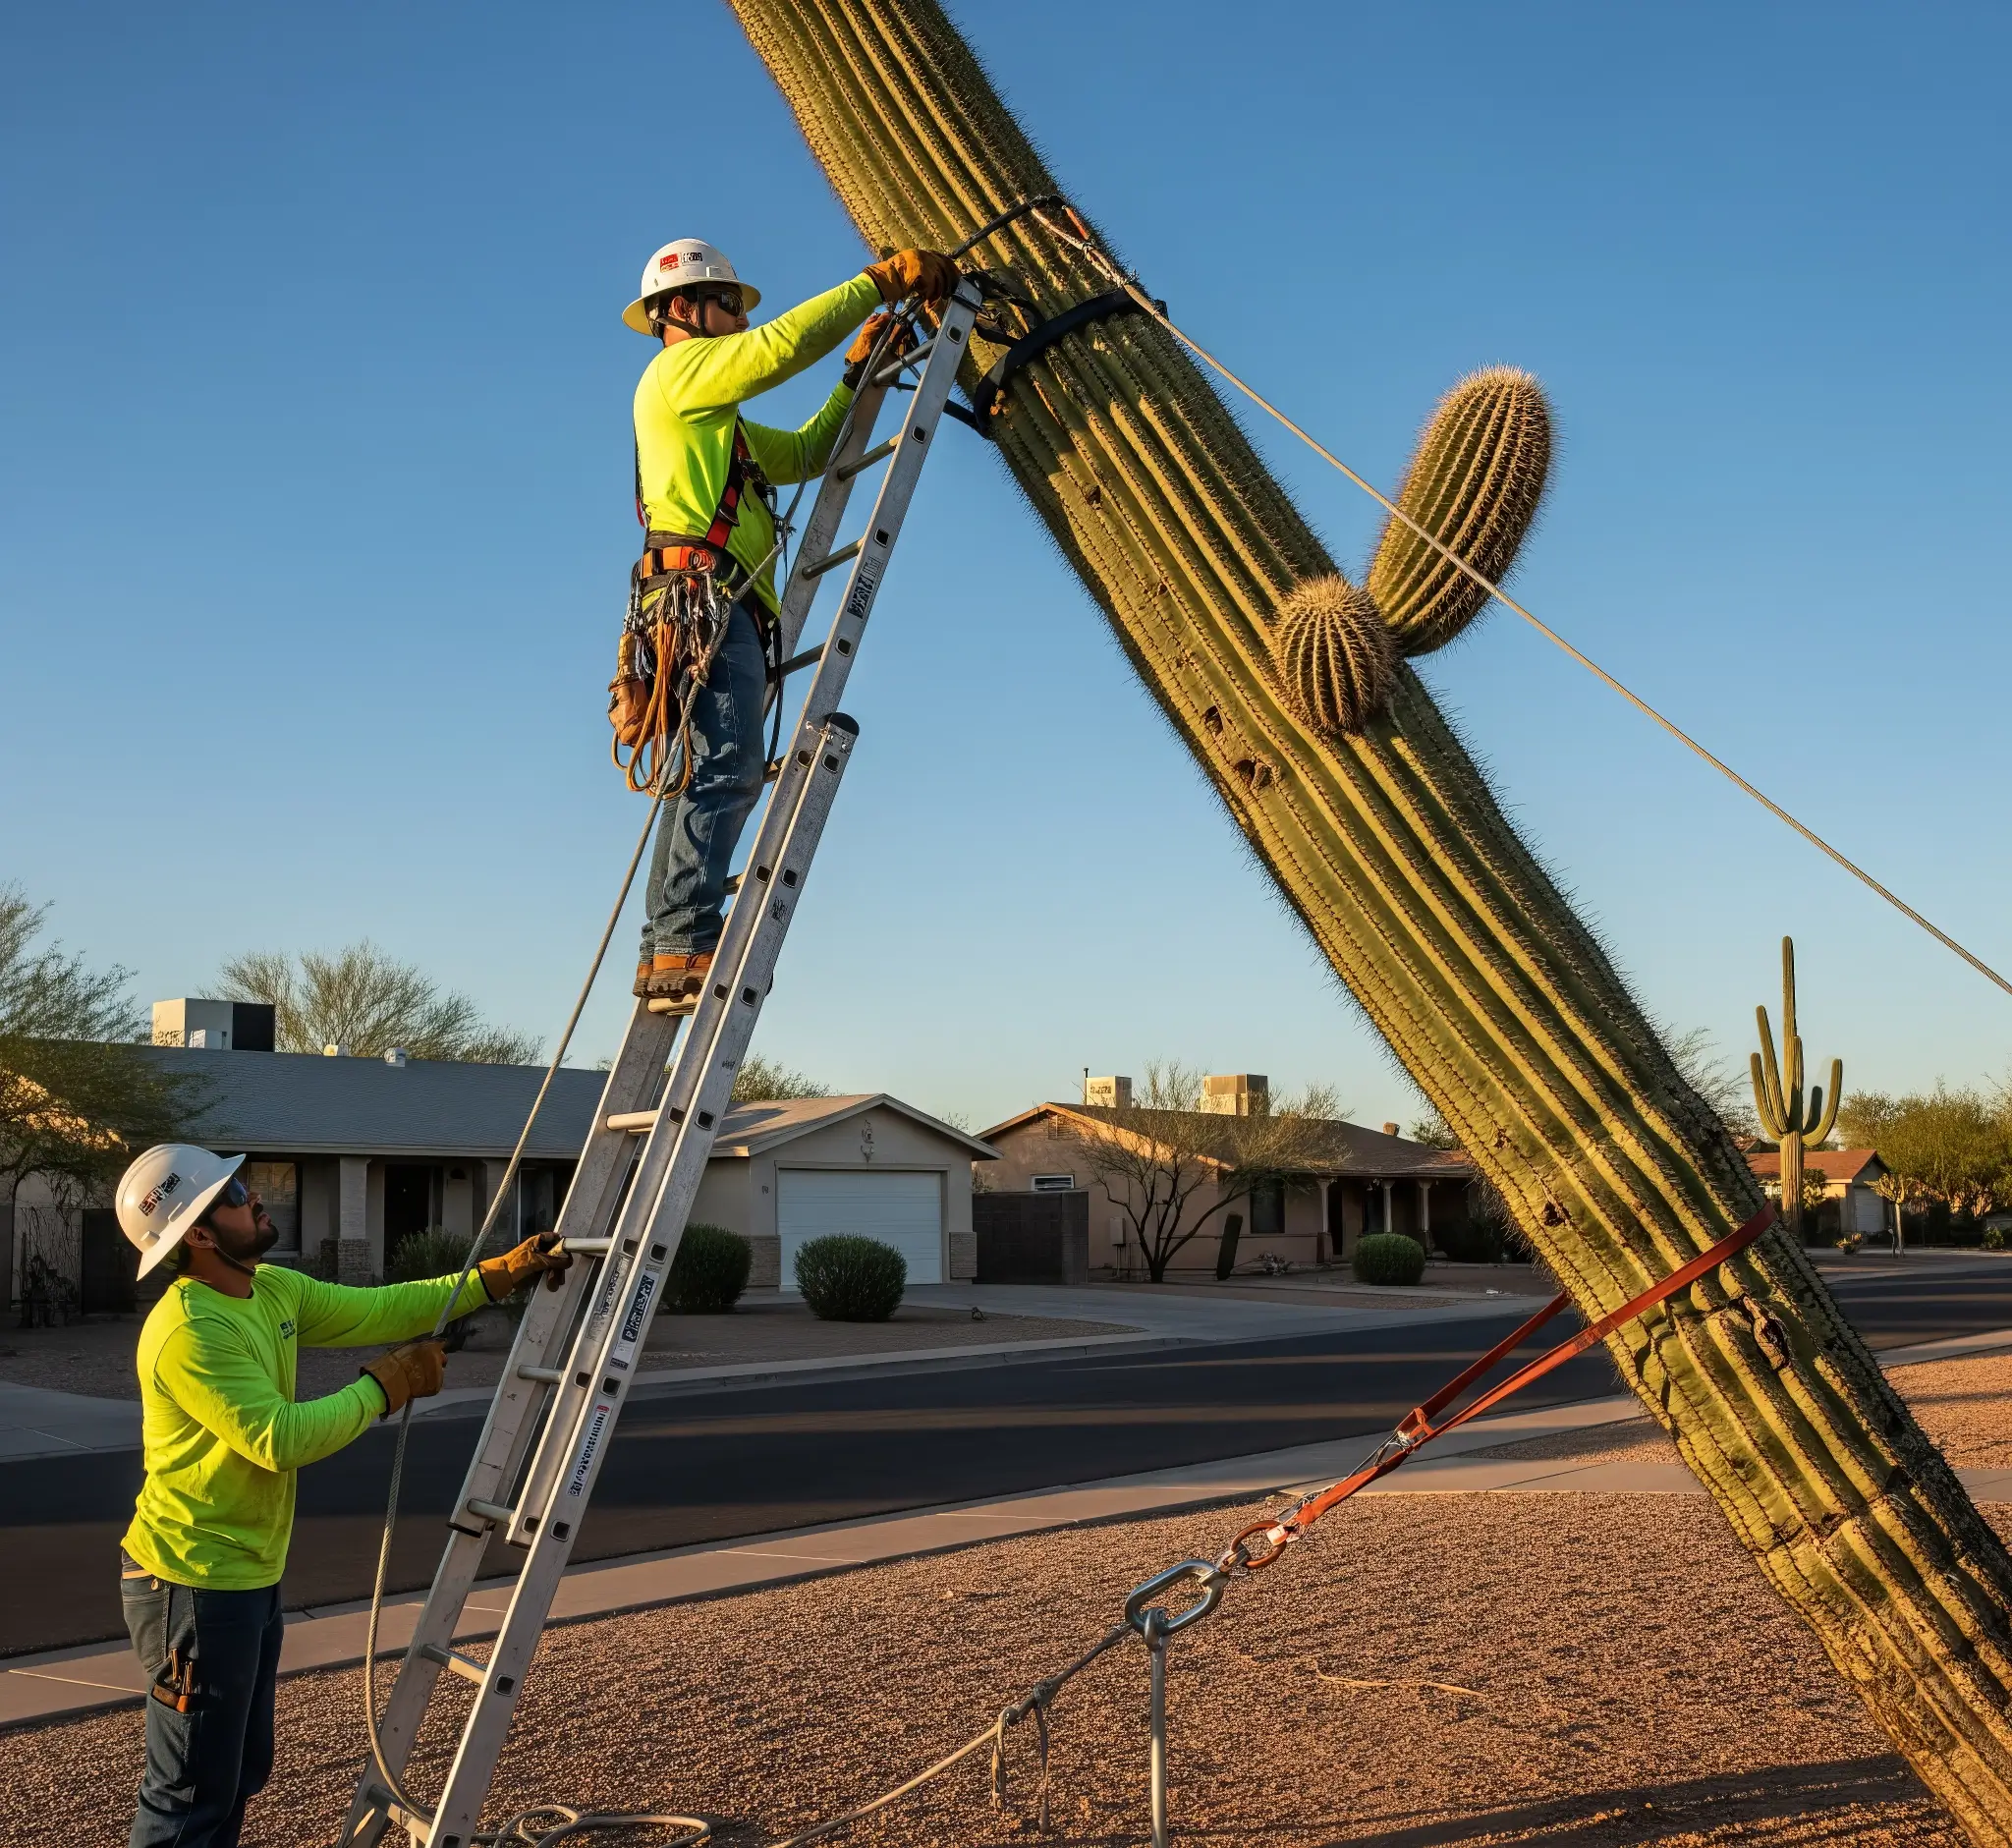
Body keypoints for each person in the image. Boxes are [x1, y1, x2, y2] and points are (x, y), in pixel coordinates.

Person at [112, 1143, 570, 1848]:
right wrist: (384, 1385)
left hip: (242, 1576)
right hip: (189, 1584)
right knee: (189, 1795)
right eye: (235, 1190)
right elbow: (279, 1437)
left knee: (236, 1773)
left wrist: (495, 1276)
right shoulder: (189, 1331)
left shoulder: (271, 1290)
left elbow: (385, 1306)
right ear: (198, 1234)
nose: (255, 1193)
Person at [622, 236, 960, 1006]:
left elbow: (810, 451)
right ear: (682, 309)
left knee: (703, 774)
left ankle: (665, 949)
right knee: (727, 768)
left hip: (709, 605)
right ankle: (681, 941)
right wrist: (877, 285)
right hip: (703, 602)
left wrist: (853, 374)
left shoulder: (719, 425)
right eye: (727, 305)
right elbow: (779, 348)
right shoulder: (674, 374)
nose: (739, 322)